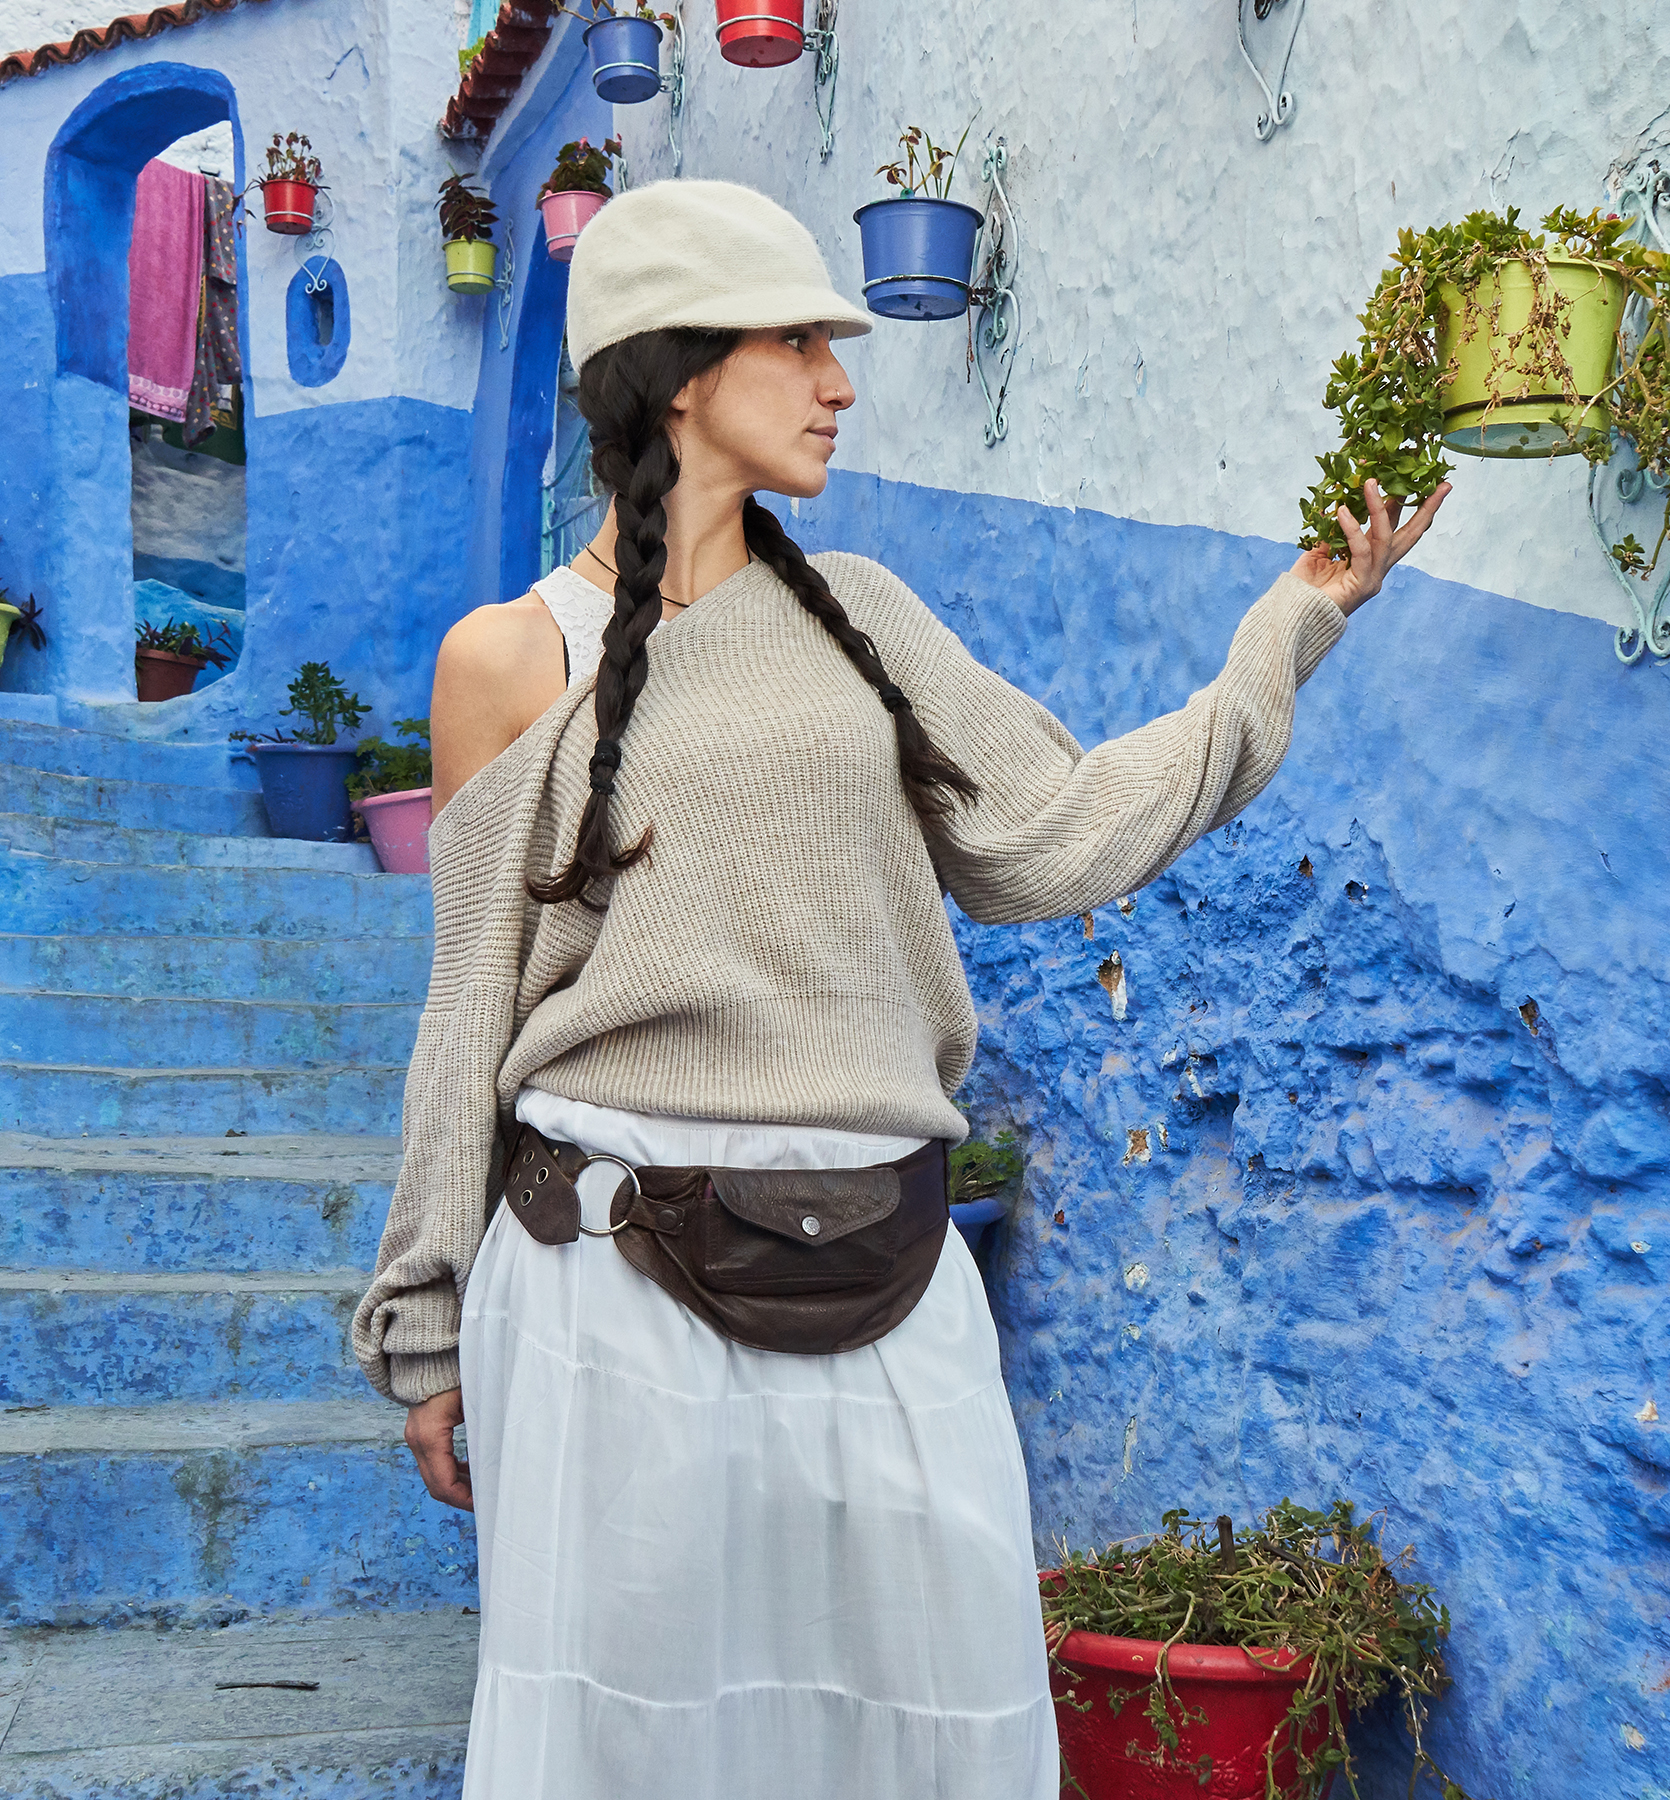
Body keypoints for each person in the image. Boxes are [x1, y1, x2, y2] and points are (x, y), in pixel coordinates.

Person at [352, 178, 1448, 1799]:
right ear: (677, 371)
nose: (839, 383)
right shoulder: (514, 659)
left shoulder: (863, 619)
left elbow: (1058, 829)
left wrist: (1286, 632)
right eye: (798, 343)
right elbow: (470, 1007)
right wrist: (427, 1319)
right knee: (639, 1748)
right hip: (605, 1292)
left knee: (930, 1723)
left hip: (883, 1267)